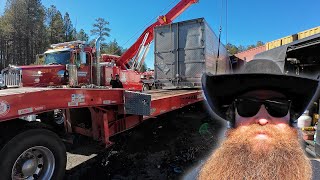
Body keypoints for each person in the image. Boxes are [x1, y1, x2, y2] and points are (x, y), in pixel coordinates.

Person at [184, 59, 320, 180]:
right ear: (233, 120)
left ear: (291, 119)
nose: (262, 120)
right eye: (247, 106)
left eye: (278, 107)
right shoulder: (201, 176)